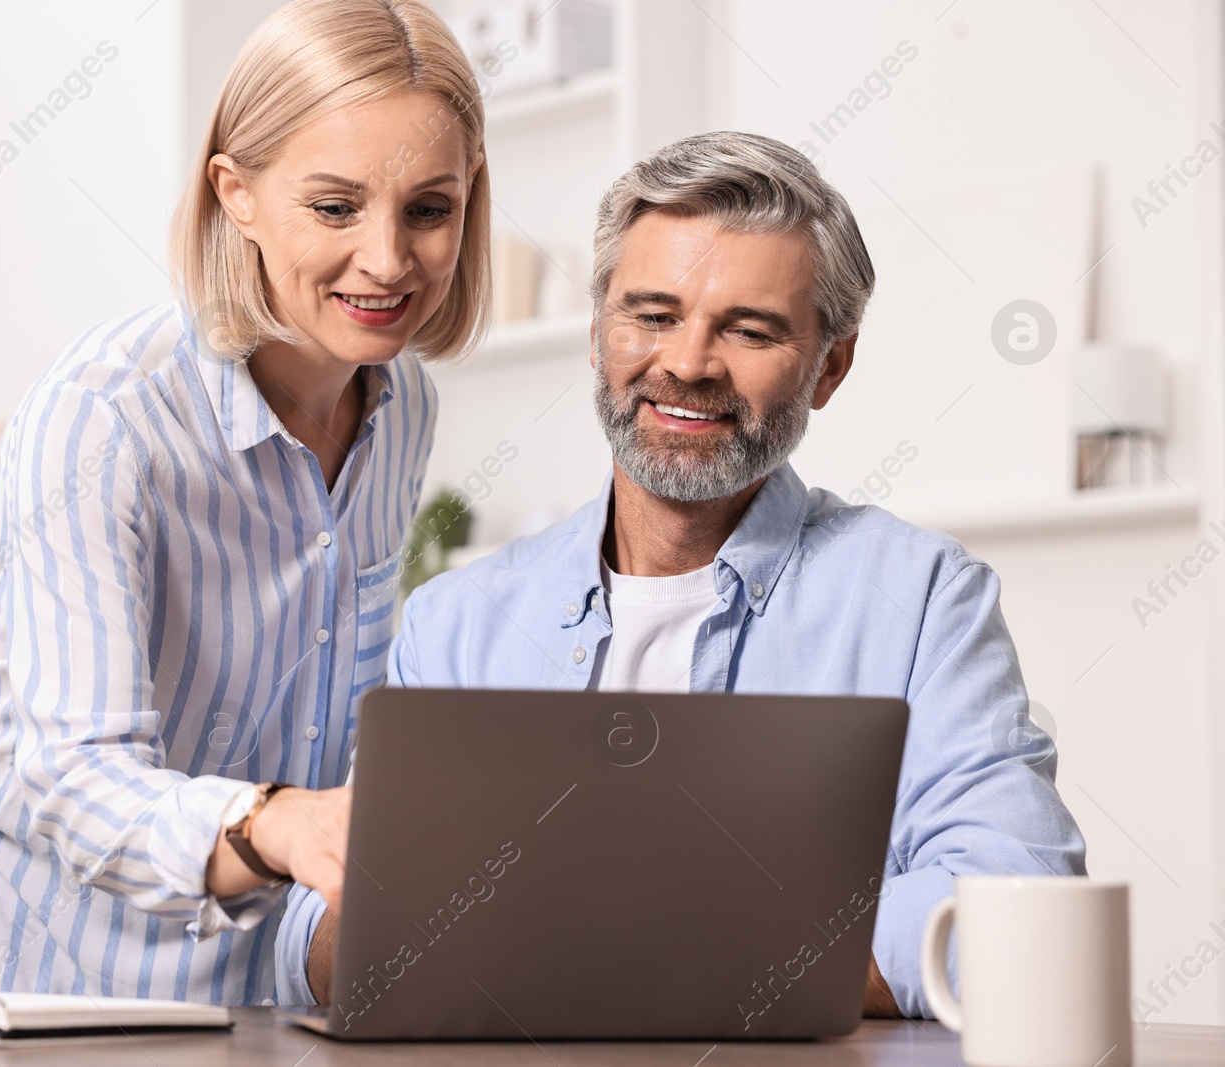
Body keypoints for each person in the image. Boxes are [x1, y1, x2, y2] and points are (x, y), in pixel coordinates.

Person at [275, 131, 1086, 1019]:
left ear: (831, 367)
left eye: (749, 329)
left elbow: (1016, 906)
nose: (689, 363)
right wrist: (357, 939)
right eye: (653, 315)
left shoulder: (922, 599)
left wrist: (626, 952)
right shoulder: (459, 620)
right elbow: (322, 917)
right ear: (596, 334)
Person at [0, 0, 489, 1003]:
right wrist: (279, 821)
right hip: (23, 933)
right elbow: (74, 778)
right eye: (334, 207)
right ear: (236, 193)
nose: (387, 260)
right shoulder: (104, 416)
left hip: (230, 952)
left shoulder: (400, 403)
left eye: (429, 209)